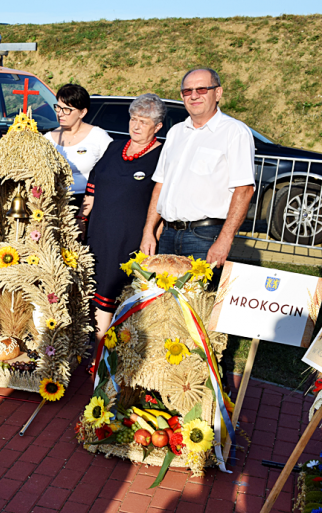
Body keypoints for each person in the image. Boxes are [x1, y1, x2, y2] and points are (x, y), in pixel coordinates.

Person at [140, 68, 255, 275]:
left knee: (199, 303)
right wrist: (149, 231)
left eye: (202, 89)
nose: (193, 96)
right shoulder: (176, 133)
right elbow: (161, 185)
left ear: (217, 93)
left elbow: (244, 189)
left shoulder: (234, 132)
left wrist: (225, 239)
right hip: (167, 235)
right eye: (187, 91)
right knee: (164, 303)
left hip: (205, 237)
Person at [77, 94, 166, 346]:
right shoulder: (114, 147)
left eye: (143, 122)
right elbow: (93, 187)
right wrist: (82, 219)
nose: (135, 126)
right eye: (133, 119)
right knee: (90, 286)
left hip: (129, 237)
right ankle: (90, 346)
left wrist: (153, 236)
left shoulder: (162, 155)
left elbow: (161, 202)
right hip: (98, 232)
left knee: (111, 290)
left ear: (157, 127)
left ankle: (100, 352)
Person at [44, 84, 112, 196]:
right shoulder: (47, 139)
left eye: (66, 109)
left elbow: (113, 170)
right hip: (55, 202)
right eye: (58, 107)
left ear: (82, 112)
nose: (60, 114)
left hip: (87, 202)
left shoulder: (98, 136)